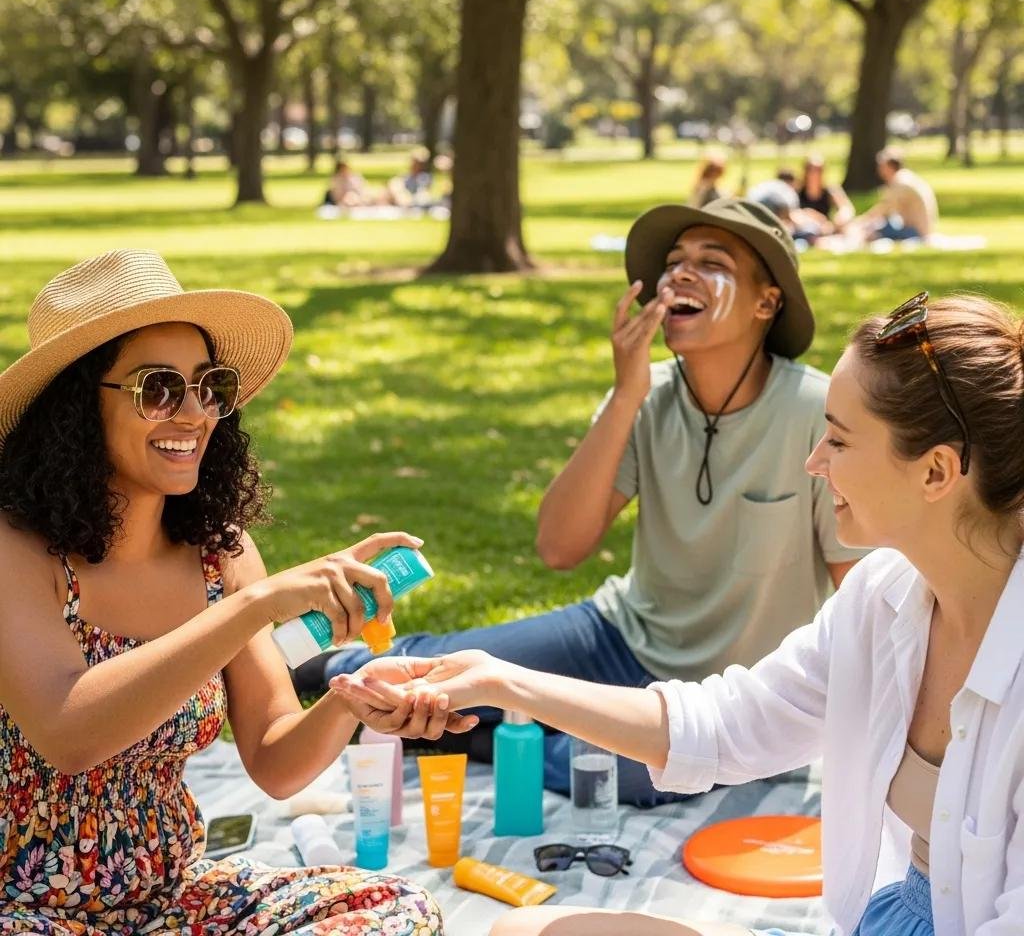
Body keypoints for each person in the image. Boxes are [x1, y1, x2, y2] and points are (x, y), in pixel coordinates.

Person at [336, 291, 1024, 936]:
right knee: (527, 927)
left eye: (839, 441)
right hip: (896, 913)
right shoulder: (883, 598)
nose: (814, 462)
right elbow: (725, 726)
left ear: (936, 472)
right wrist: (499, 681)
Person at [311, 198, 860, 807]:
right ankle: (325, 667)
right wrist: (626, 392)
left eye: (713, 261)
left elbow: (860, 593)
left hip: (725, 695)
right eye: (674, 261)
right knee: (432, 671)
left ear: (767, 302)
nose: (679, 273)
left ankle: (498, 725)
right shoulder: (644, 394)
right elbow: (560, 546)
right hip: (616, 635)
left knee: (598, 769)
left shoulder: (816, 413)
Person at [0, 250, 449, 935]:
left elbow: (274, 757)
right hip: (26, 911)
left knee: (394, 910)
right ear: (76, 408)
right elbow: (70, 732)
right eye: (158, 389)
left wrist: (349, 698)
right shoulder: (15, 548)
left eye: (210, 386)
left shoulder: (220, 556)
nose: (193, 413)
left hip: (172, 900)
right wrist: (250, 609)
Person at [852, 147, 938, 242]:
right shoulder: (906, 177)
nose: (879, 170)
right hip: (921, 228)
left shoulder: (900, 182)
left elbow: (884, 209)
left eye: (881, 166)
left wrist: (860, 221)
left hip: (916, 232)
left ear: (889, 166)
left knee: (873, 231)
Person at [796, 155, 854, 235]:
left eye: (818, 170)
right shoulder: (797, 192)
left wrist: (841, 217)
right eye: (811, 170)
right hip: (805, 227)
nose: (815, 174)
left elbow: (846, 208)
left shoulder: (830, 190)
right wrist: (815, 217)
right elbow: (793, 213)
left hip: (826, 228)